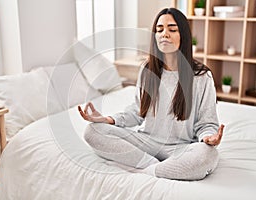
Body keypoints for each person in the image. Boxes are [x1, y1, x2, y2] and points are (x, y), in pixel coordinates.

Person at [78, 7, 224, 180]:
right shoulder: (147, 70)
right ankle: (153, 166)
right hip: (146, 142)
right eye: (159, 29)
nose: (164, 34)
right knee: (92, 131)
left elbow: (206, 123)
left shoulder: (201, 76)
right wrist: (108, 120)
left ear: (183, 35)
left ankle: (148, 171)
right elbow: (138, 111)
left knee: (208, 155)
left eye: (172, 29)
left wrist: (208, 137)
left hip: (181, 147)